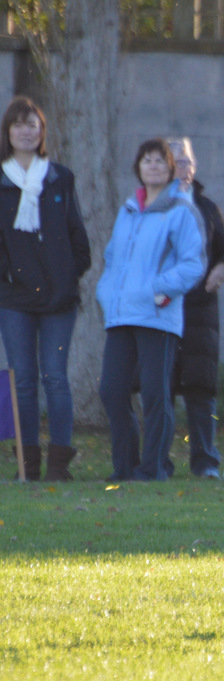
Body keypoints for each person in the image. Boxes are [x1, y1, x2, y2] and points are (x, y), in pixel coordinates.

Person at [97, 138, 205, 481]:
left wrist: (160, 289)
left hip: (157, 315)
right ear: (138, 167)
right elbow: (113, 257)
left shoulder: (182, 211)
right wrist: (106, 292)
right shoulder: (128, 210)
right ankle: (125, 467)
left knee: (155, 394)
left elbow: (193, 264)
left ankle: (153, 467)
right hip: (121, 314)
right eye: (147, 160)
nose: (153, 165)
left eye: (160, 160)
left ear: (171, 168)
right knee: (112, 391)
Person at [0, 96, 90, 481]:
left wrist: (67, 277)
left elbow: (77, 238)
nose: (25, 130)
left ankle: (58, 465)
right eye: (18, 124)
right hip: (14, 299)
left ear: (42, 132)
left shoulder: (60, 177)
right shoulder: (1, 181)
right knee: (22, 379)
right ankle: (27, 465)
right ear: (8, 132)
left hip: (59, 299)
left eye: (32, 124)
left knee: (55, 376)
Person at [166, 137, 224, 479]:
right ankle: (157, 461)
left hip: (200, 313)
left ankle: (205, 462)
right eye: (176, 162)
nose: (184, 168)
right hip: (161, 310)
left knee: (200, 390)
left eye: (188, 162)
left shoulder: (207, 208)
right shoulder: (151, 206)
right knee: (159, 388)